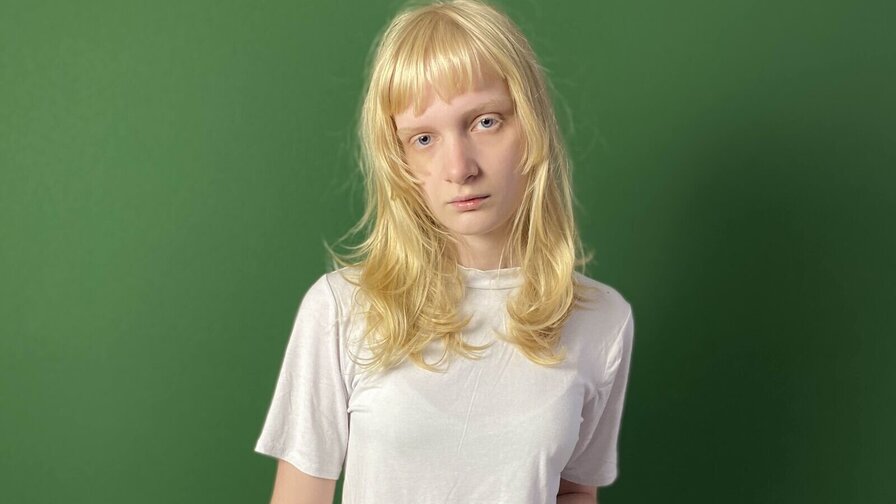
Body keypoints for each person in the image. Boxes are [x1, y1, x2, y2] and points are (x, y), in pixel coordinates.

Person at [254, 0, 635, 502]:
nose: (459, 168)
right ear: (398, 159)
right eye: (424, 138)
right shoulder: (342, 309)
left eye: (485, 122)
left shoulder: (602, 319)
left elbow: (573, 492)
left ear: (532, 124)